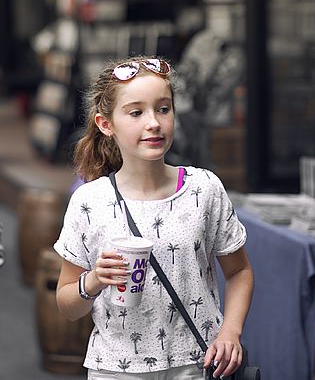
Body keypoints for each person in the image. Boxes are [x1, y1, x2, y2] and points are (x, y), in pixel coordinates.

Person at [54, 56, 253, 380]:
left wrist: (231, 331)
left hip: (196, 364)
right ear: (107, 124)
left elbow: (240, 270)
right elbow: (66, 305)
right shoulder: (89, 202)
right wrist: (93, 281)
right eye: (136, 112)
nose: (154, 123)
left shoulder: (204, 189)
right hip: (116, 370)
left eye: (163, 108)